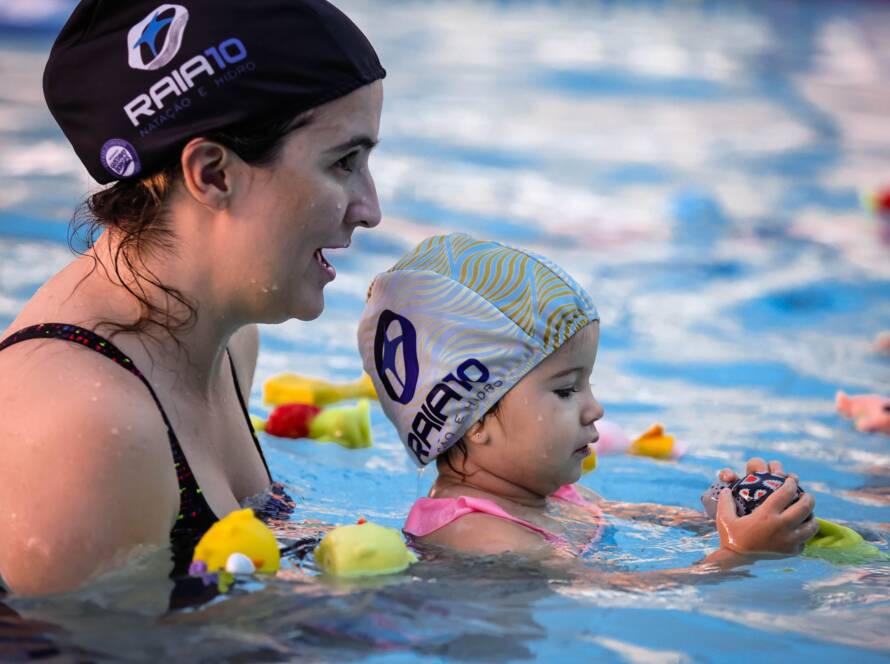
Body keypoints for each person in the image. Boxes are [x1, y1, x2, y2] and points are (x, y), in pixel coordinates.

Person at [0, 0, 384, 595]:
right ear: (212, 174)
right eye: (343, 163)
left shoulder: (224, 342)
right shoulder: (90, 424)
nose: (371, 209)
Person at [357, 234, 819, 568]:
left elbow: (649, 520)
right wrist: (737, 555)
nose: (595, 408)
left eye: (588, 384)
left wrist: (732, 513)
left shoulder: (554, 495)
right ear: (473, 420)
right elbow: (613, 593)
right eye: (565, 389)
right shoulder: (477, 533)